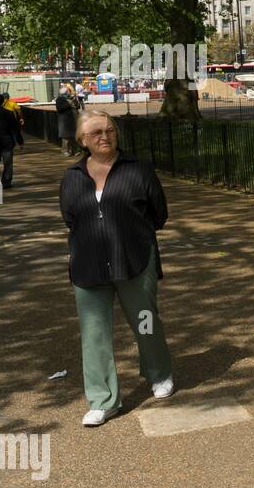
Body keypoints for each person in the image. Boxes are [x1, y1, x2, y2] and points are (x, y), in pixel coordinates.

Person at [59, 109, 174, 427]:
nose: (104, 136)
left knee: (146, 322)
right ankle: (102, 399)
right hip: (88, 264)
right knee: (93, 334)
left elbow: (158, 213)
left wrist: (131, 235)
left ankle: (158, 372)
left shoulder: (138, 168)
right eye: (95, 132)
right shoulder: (72, 176)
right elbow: (71, 218)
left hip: (134, 258)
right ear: (83, 140)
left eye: (109, 129)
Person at [55, 84, 81, 157]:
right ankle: (65, 151)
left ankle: (76, 151)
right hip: (65, 121)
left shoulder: (72, 98)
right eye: (68, 91)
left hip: (73, 119)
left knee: (74, 136)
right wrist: (69, 104)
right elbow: (60, 108)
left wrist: (75, 100)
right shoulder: (60, 99)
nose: (69, 92)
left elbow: (78, 106)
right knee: (66, 138)